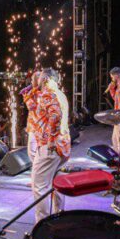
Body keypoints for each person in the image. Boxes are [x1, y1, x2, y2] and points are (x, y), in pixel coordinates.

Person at [31, 69, 71, 221]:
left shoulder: (48, 93)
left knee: (39, 187)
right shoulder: (61, 94)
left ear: (46, 78)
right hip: (63, 146)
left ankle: (42, 225)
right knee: (57, 185)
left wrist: (50, 141)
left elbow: (55, 115)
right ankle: (58, 219)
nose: (38, 81)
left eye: (40, 78)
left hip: (50, 148)